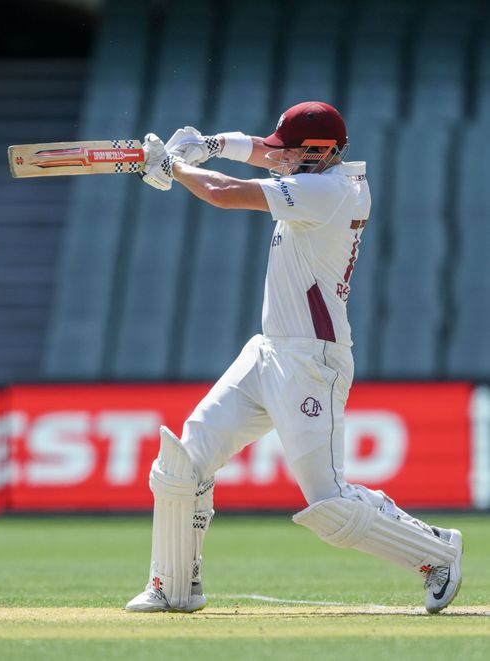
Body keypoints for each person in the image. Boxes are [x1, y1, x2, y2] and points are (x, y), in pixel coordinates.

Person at [125, 101, 463, 615]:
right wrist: (209, 144)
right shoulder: (316, 172)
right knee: (184, 460)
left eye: (291, 153)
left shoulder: (328, 192)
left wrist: (174, 166)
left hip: (311, 362)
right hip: (267, 352)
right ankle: (172, 587)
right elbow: (263, 150)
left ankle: (437, 552)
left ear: (319, 153)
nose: (278, 158)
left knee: (327, 502)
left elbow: (222, 192)